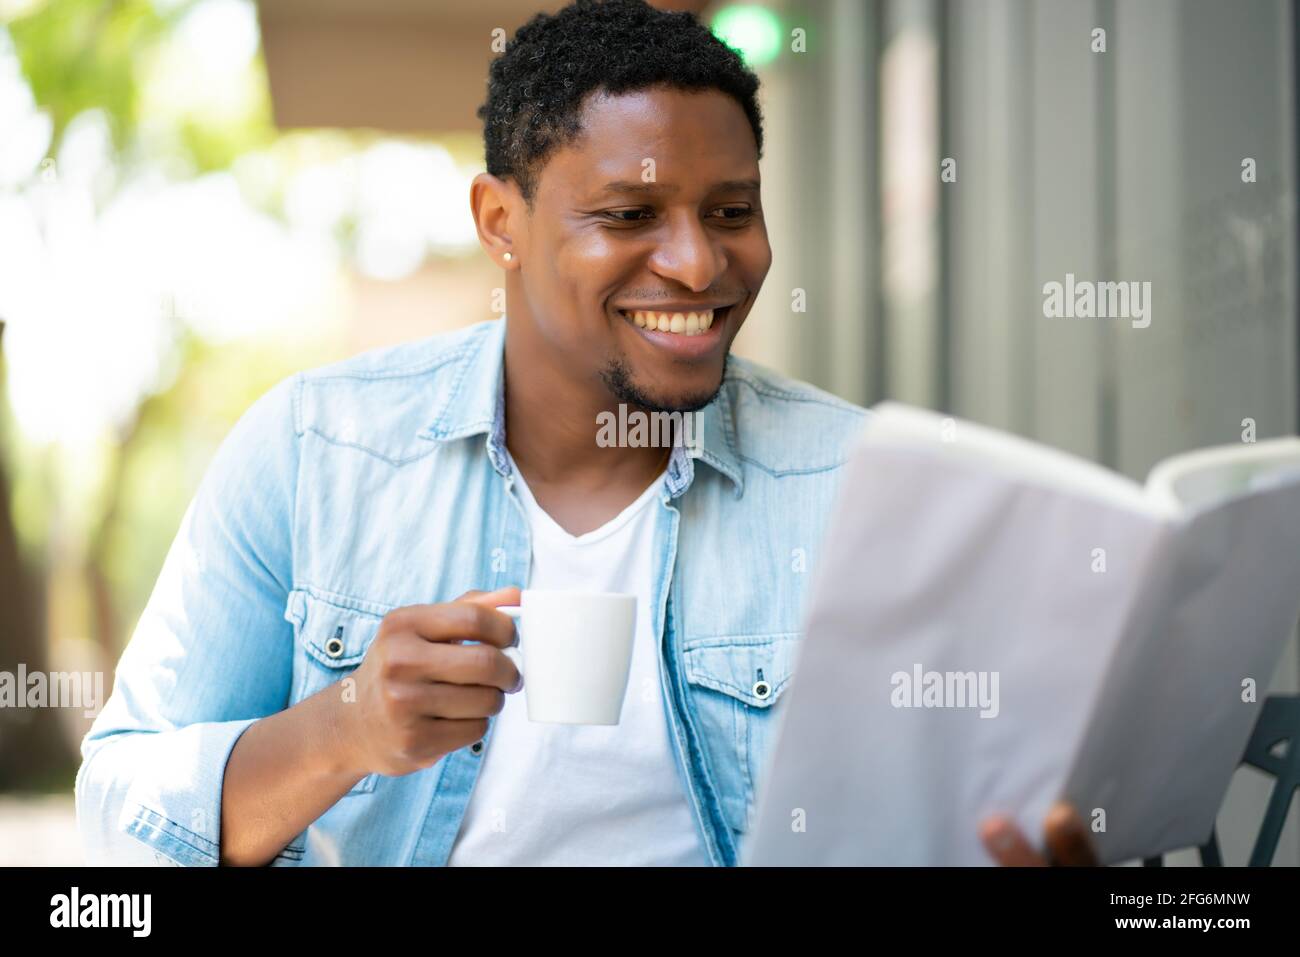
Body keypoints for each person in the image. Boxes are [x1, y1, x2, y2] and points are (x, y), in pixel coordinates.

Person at [75, 0, 1097, 867]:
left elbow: (967, 804)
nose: (697, 265)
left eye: (730, 210)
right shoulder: (316, 452)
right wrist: (346, 728)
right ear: (499, 223)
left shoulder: (862, 484)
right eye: (629, 214)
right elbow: (121, 804)